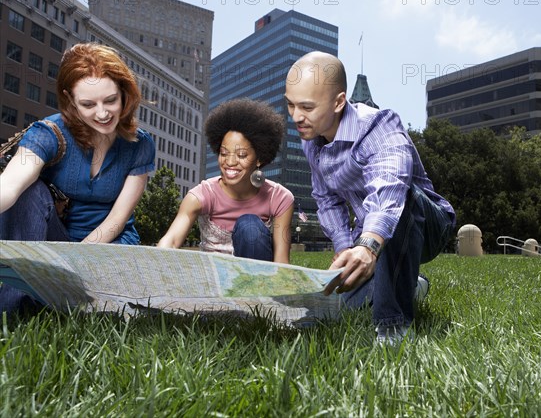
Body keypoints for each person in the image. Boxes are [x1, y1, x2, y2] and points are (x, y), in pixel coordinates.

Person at [284, 52, 455, 345]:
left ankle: (393, 327)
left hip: (425, 224)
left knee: (401, 199)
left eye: (307, 107)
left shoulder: (379, 125)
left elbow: (390, 186)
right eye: (290, 104)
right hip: (369, 235)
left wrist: (368, 246)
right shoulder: (311, 142)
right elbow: (326, 199)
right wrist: (344, 249)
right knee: (328, 307)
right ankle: (411, 285)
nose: (296, 116)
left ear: (338, 102)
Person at [0, 42, 155, 314]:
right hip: (55, 242)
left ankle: (60, 297)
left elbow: (117, 220)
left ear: (124, 94)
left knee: (108, 309)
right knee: (29, 192)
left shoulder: (140, 145)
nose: (103, 114)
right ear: (70, 100)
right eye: (87, 104)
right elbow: (10, 185)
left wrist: (75, 262)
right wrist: (61, 262)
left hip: (109, 247)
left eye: (110, 100)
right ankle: (14, 307)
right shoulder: (46, 133)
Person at [158, 98, 294, 263]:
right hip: (213, 280)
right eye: (224, 153)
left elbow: (281, 262)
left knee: (249, 225)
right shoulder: (201, 195)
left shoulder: (280, 198)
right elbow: (171, 241)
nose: (229, 162)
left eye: (241, 155)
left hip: (257, 281)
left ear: (259, 158)